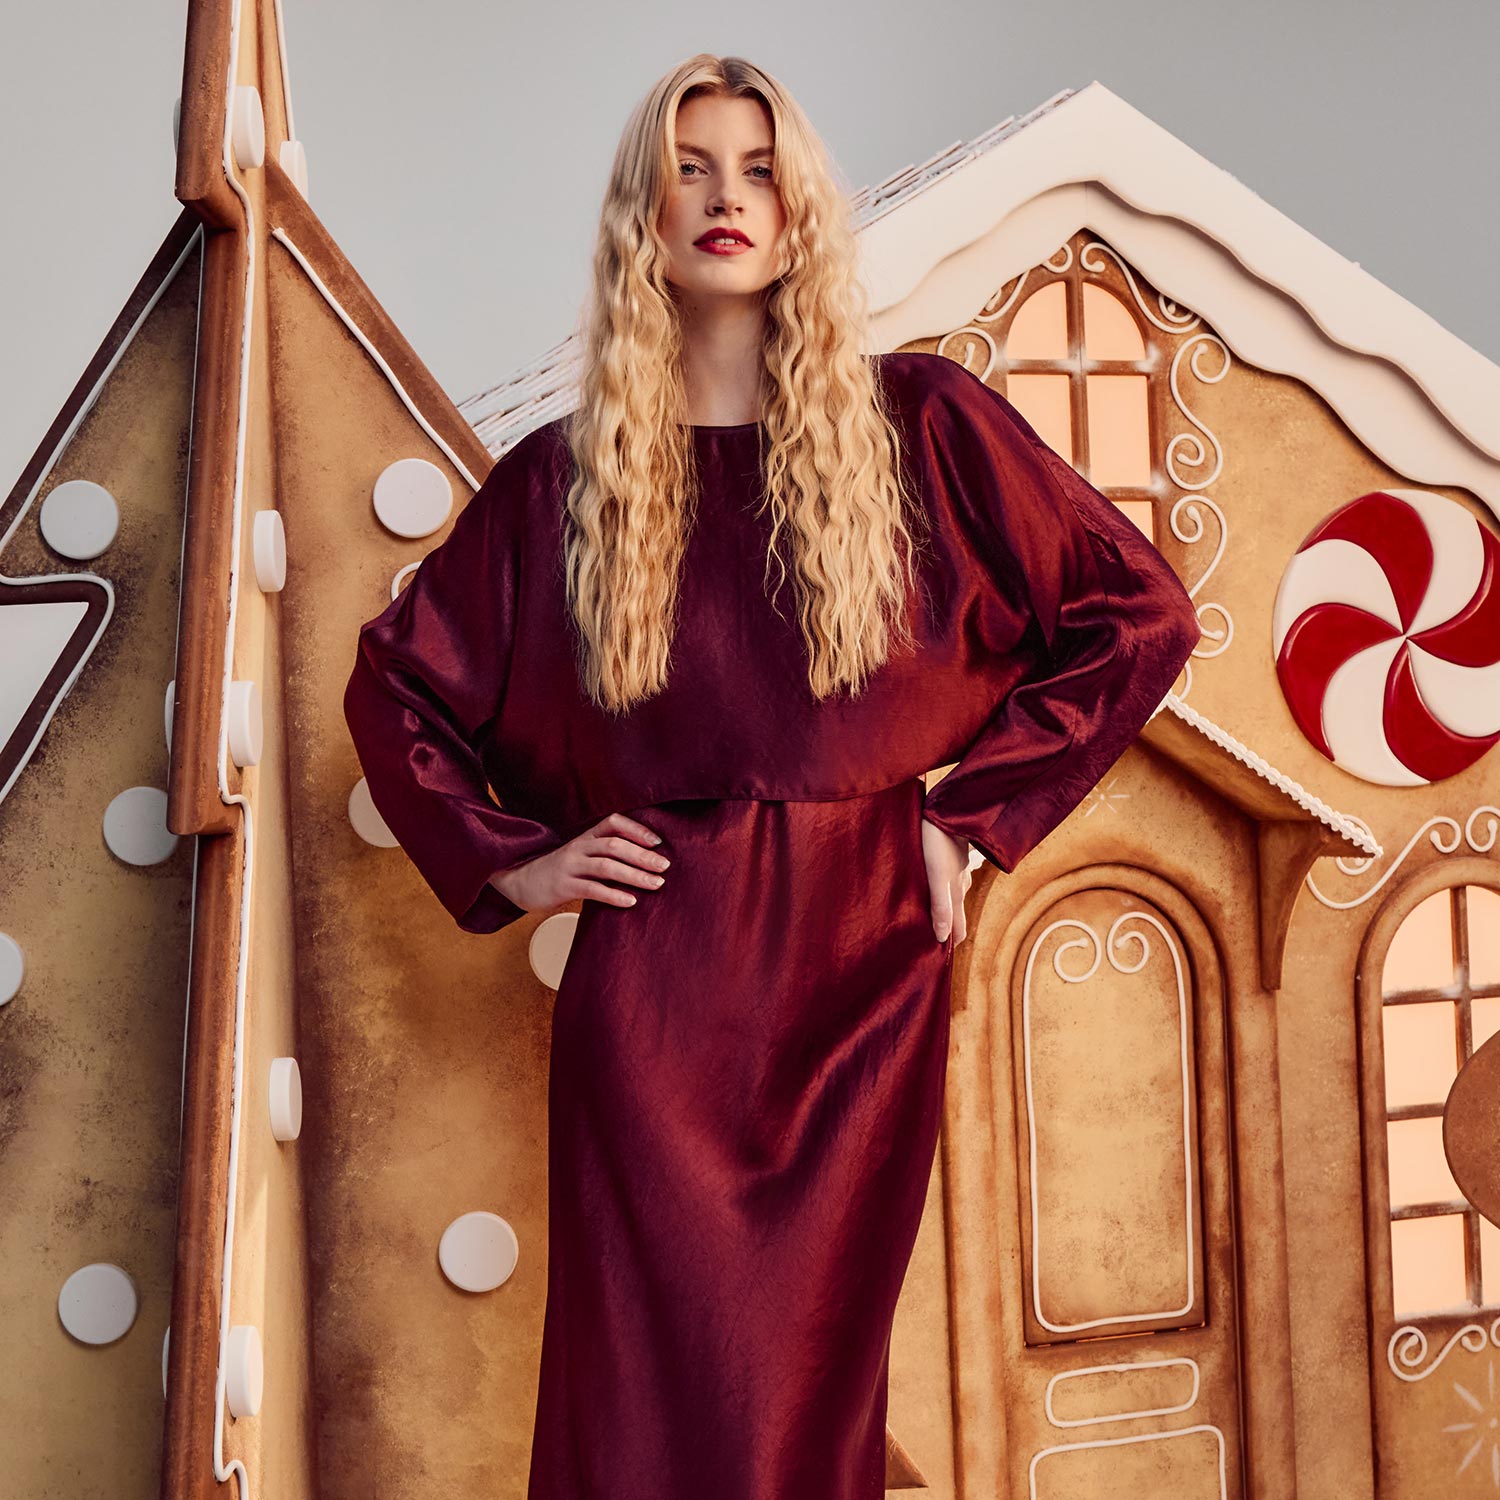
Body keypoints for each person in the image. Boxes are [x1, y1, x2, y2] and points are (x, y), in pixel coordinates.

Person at [343, 53, 1201, 1500]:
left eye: (757, 168)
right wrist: (519, 860)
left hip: (863, 970)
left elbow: (1140, 618)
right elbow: (396, 681)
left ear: (801, 208)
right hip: (659, 993)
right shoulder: (567, 483)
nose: (726, 197)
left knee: (801, 1397)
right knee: (639, 1398)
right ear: (644, 216)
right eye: (691, 168)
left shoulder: (924, 426)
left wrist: (972, 825)